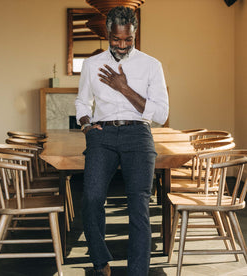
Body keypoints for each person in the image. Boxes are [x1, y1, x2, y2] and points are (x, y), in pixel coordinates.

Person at [75, 6, 169, 276]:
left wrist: (124, 88)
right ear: (108, 33)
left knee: (138, 204)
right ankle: (101, 261)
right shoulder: (92, 65)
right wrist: (86, 125)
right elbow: (83, 101)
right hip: (101, 134)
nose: (123, 45)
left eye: (128, 39)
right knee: (91, 198)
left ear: (134, 34)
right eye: (117, 39)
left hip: (138, 134)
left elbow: (162, 115)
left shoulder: (151, 65)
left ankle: (137, 272)